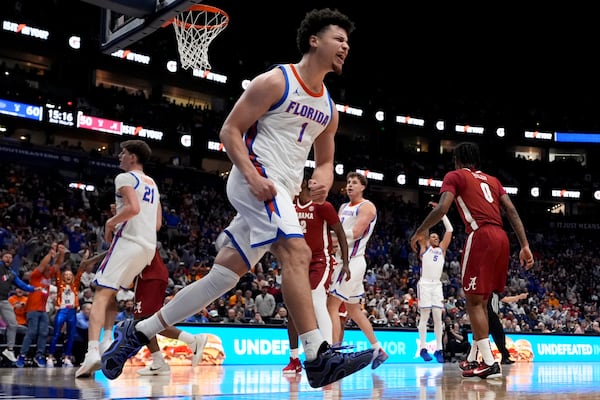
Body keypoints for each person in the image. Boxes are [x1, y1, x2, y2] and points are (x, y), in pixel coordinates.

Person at [101, 9, 375, 388]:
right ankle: (316, 355)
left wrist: (323, 178)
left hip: (282, 190)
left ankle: (138, 332)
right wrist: (250, 175)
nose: (345, 46)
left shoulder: (328, 107)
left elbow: (326, 160)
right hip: (257, 178)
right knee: (296, 253)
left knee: (222, 277)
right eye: (338, 39)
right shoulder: (276, 81)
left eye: (348, 41)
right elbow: (230, 131)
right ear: (314, 40)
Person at [410, 142, 534, 379]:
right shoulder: (493, 180)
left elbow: (443, 207)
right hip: (502, 238)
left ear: (457, 159)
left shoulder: (454, 176)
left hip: (481, 235)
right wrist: (525, 245)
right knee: (484, 301)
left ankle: (489, 362)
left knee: (474, 301)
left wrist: (420, 230)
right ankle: (473, 358)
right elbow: (512, 211)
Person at [76, 139, 161, 378]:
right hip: (148, 248)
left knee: (99, 293)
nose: (119, 156)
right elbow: (156, 223)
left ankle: (92, 351)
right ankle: (105, 341)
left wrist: (111, 222)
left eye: (123, 152)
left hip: (129, 242)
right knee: (110, 292)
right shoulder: (153, 184)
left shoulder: (123, 178)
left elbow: (132, 208)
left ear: (133, 157)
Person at [283, 179, 350, 375]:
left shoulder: (323, 205)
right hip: (297, 261)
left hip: (320, 260)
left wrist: (345, 262)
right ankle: (294, 359)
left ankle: (329, 354)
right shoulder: (289, 203)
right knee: (293, 309)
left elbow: (340, 233)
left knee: (316, 298)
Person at [327, 171, 389, 369]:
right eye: (348, 182)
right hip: (341, 260)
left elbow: (354, 233)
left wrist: (328, 234)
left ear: (363, 187)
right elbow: (337, 235)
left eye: (354, 182)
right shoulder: (344, 206)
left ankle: (333, 354)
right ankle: (378, 349)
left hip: (352, 262)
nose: (350, 185)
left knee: (331, 307)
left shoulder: (367, 206)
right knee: (354, 310)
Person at [133, 248, 208, 376]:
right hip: (151, 273)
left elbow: (119, 253)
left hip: (150, 274)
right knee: (144, 321)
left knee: (144, 321)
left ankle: (193, 341)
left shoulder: (130, 231)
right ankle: (159, 362)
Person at [47, 249, 99, 368]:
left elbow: (80, 270)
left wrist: (85, 258)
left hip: (72, 312)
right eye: (66, 275)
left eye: (70, 275)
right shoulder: (60, 285)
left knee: (71, 335)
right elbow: (57, 270)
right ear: (63, 277)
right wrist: (59, 256)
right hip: (62, 310)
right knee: (56, 334)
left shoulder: (75, 285)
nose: (68, 276)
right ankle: (50, 357)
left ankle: (67, 357)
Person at [16, 243, 66, 368]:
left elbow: (58, 265)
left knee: (44, 333)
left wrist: (62, 253)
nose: (50, 268)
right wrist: (51, 253)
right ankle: (22, 355)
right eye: (48, 266)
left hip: (43, 310)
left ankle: (39, 356)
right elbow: (43, 264)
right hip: (32, 309)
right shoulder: (36, 276)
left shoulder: (48, 276)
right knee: (31, 333)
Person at [414, 203, 453, 363]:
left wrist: (442, 213)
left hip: (437, 285)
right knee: (424, 316)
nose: (435, 238)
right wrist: (433, 213)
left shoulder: (442, 249)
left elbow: (449, 230)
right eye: (433, 237)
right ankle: (422, 347)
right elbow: (423, 230)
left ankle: (439, 350)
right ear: (429, 239)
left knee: (438, 318)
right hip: (424, 284)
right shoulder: (424, 248)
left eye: (437, 237)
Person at [1, 251, 40, 363]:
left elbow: (21, 285)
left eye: (10, 257)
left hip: (3, 300)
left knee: (13, 324)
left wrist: (33, 289)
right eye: (6, 257)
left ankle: (9, 349)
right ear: (2, 258)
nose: (8, 259)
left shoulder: (12, 273)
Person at [489, 291, 528, 364]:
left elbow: (506, 299)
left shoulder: (496, 293)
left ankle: (505, 356)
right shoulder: (487, 292)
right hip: (487, 316)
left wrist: (519, 297)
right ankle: (473, 356)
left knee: (500, 337)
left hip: (494, 317)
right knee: (481, 338)